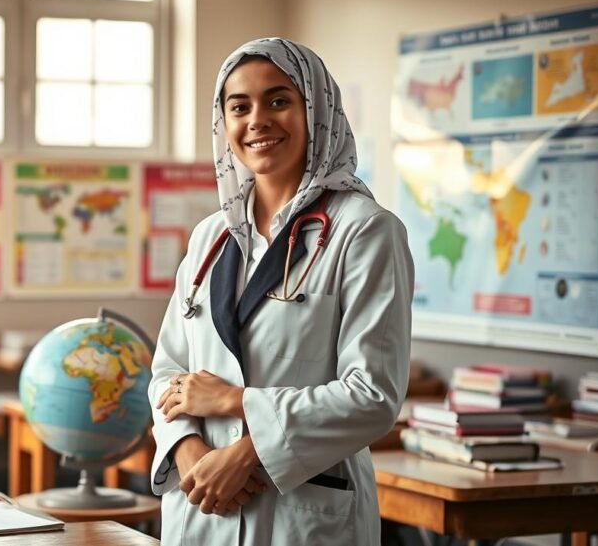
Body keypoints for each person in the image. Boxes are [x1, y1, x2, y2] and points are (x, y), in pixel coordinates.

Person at [148, 38, 413, 545]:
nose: (257, 121)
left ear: (316, 110)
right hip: (203, 508)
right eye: (239, 106)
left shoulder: (366, 231)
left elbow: (373, 395)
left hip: (303, 515)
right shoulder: (211, 236)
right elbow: (167, 371)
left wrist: (240, 417)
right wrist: (191, 454)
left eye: (279, 100)